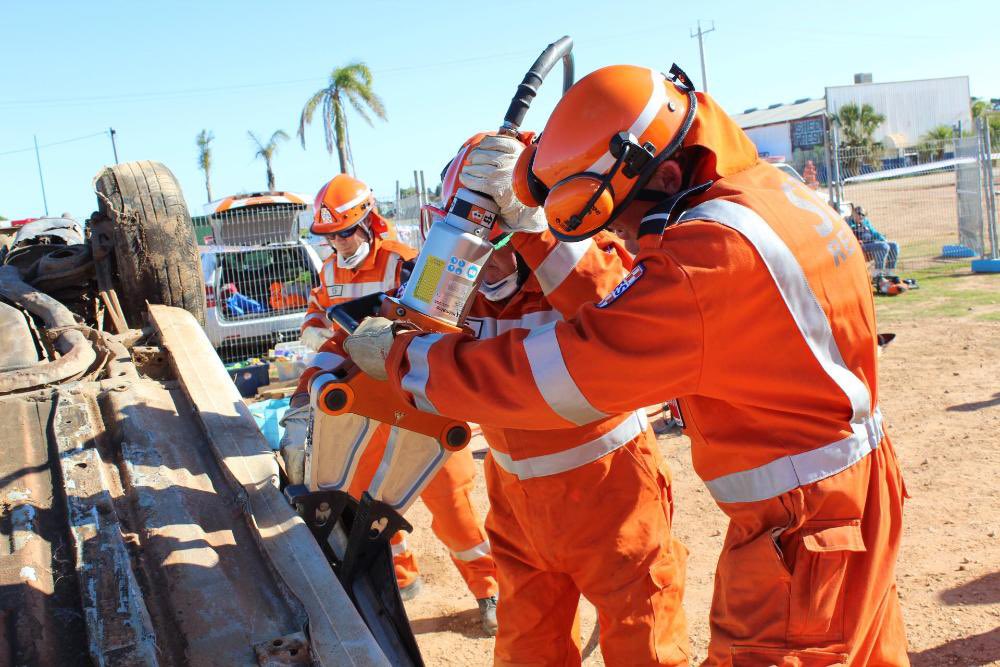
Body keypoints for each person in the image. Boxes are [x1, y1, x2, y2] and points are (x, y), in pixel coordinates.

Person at [344, 65, 909, 665]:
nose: (620, 234)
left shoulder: (704, 262)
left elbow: (571, 371)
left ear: (665, 174)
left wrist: (408, 359)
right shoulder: (763, 194)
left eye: (615, 216)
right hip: (844, 495)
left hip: (804, 523)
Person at [403, 137, 690, 665]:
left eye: (492, 242)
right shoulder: (462, 288)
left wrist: (535, 228)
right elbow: (411, 335)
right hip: (517, 510)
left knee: (645, 648)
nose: (482, 264)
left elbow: (616, 310)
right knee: (526, 653)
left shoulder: (585, 264)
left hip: (614, 500)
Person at [280, 173, 499, 634]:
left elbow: (440, 315)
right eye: (329, 237)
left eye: (344, 233)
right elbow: (319, 311)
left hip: (419, 400)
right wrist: (315, 333)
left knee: (451, 504)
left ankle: (489, 589)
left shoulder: (409, 262)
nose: (338, 243)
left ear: (367, 222)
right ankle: (400, 577)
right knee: (366, 500)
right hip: (363, 404)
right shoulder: (330, 272)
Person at [847, 204, 899, 273]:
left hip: (871, 244)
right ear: (853, 213)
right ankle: (878, 273)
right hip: (860, 246)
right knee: (883, 246)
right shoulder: (848, 223)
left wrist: (883, 239)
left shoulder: (865, 222)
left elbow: (874, 232)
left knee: (894, 245)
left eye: (863, 215)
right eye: (859, 213)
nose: (861, 216)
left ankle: (889, 272)